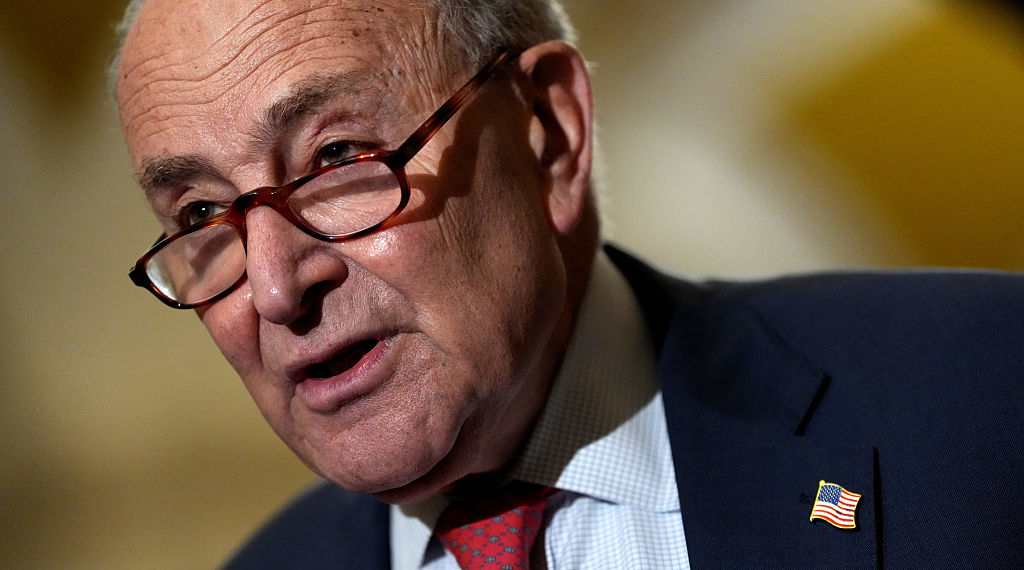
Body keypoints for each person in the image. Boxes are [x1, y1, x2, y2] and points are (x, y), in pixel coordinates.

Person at [113, 0, 1024, 568]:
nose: (276, 288)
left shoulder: (985, 393)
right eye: (200, 213)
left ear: (548, 132)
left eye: (336, 157)